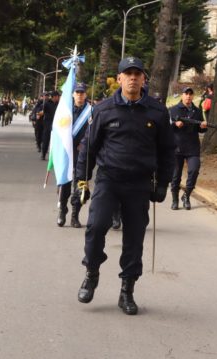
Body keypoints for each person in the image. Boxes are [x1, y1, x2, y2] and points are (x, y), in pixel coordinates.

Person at [75, 57, 175, 315]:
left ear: (144, 79)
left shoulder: (157, 111)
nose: (132, 78)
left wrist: (163, 183)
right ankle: (92, 272)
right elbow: (89, 147)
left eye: (137, 74)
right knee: (96, 227)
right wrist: (81, 180)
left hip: (139, 183)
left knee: (134, 238)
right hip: (109, 179)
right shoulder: (104, 110)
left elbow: (167, 151)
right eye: (127, 73)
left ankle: (126, 291)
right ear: (118, 79)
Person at [169, 87, 207, 210]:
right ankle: (175, 199)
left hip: (192, 147)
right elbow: (165, 127)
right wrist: (174, 124)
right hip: (177, 147)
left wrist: (203, 126)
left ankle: (186, 196)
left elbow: (200, 128)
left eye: (191, 94)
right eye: (186, 93)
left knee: (194, 170)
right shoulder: (173, 110)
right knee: (176, 176)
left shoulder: (197, 110)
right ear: (182, 95)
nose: (188, 96)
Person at [57, 83, 90, 228]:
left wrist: (84, 143)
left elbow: (93, 130)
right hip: (67, 152)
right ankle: (62, 210)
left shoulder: (91, 111)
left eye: (82, 93)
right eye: (77, 92)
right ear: (72, 94)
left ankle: (75, 215)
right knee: (64, 184)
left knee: (80, 185)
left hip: (82, 153)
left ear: (86, 95)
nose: (80, 95)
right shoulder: (65, 110)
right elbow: (58, 129)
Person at [39, 91, 59, 160]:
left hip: (57, 124)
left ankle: (55, 156)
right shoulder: (47, 104)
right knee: (46, 139)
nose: (58, 98)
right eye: (57, 96)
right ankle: (43, 154)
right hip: (47, 123)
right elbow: (42, 112)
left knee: (56, 141)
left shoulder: (59, 104)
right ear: (54, 97)